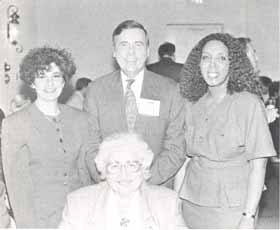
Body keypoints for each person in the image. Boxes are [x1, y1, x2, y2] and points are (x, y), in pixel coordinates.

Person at [179, 33, 276, 229]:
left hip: (232, 207)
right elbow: (187, 160)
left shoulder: (249, 104)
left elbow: (259, 166)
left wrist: (248, 216)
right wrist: (177, 203)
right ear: (198, 64)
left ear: (233, 64)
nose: (212, 66)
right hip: (192, 202)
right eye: (206, 58)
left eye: (221, 58)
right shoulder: (192, 104)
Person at [84, 20, 185, 188]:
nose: (131, 53)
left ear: (147, 51)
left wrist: (142, 181)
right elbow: (90, 147)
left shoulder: (170, 90)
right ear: (114, 52)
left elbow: (176, 148)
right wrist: (114, 181)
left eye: (138, 45)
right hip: (109, 189)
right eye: (124, 45)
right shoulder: (96, 91)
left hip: (155, 189)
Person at [1, 47, 92, 228]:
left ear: (64, 80)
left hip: (81, 214)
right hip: (40, 219)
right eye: (42, 76)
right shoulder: (15, 123)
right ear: (32, 82)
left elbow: (85, 172)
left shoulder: (82, 119)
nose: (49, 84)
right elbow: (16, 185)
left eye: (56, 76)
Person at [59, 132, 187, 230]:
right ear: (104, 170)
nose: (124, 174)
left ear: (143, 168)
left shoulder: (166, 202)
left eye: (131, 165)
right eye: (114, 166)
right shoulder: (79, 202)